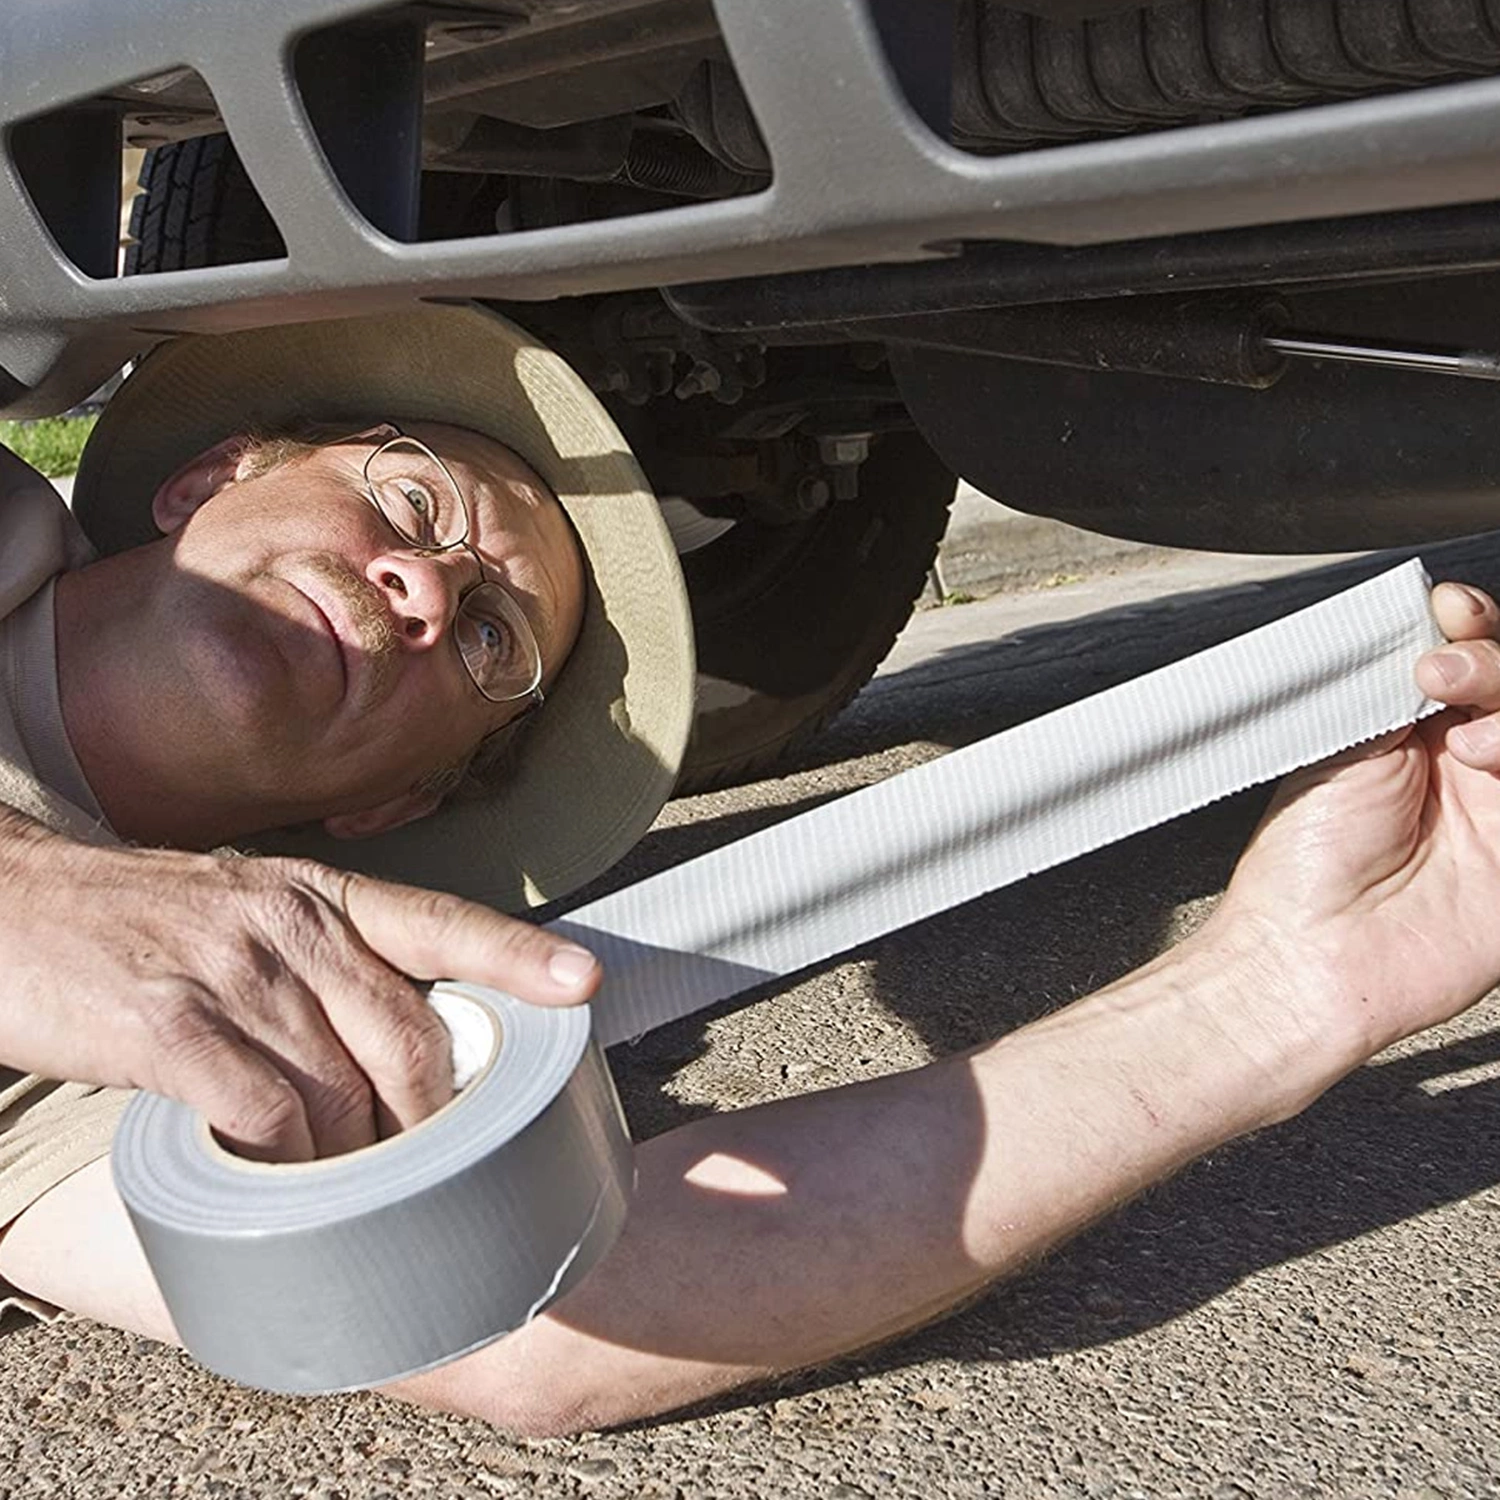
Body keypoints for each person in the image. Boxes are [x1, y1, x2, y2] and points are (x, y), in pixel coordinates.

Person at [1, 304, 1500, 1440]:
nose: (429, 587)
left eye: (487, 640)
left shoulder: (188, 1026)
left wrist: (1276, 989)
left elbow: (531, 1309)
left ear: (399, 802)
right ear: (210, 480)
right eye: (410, 506)